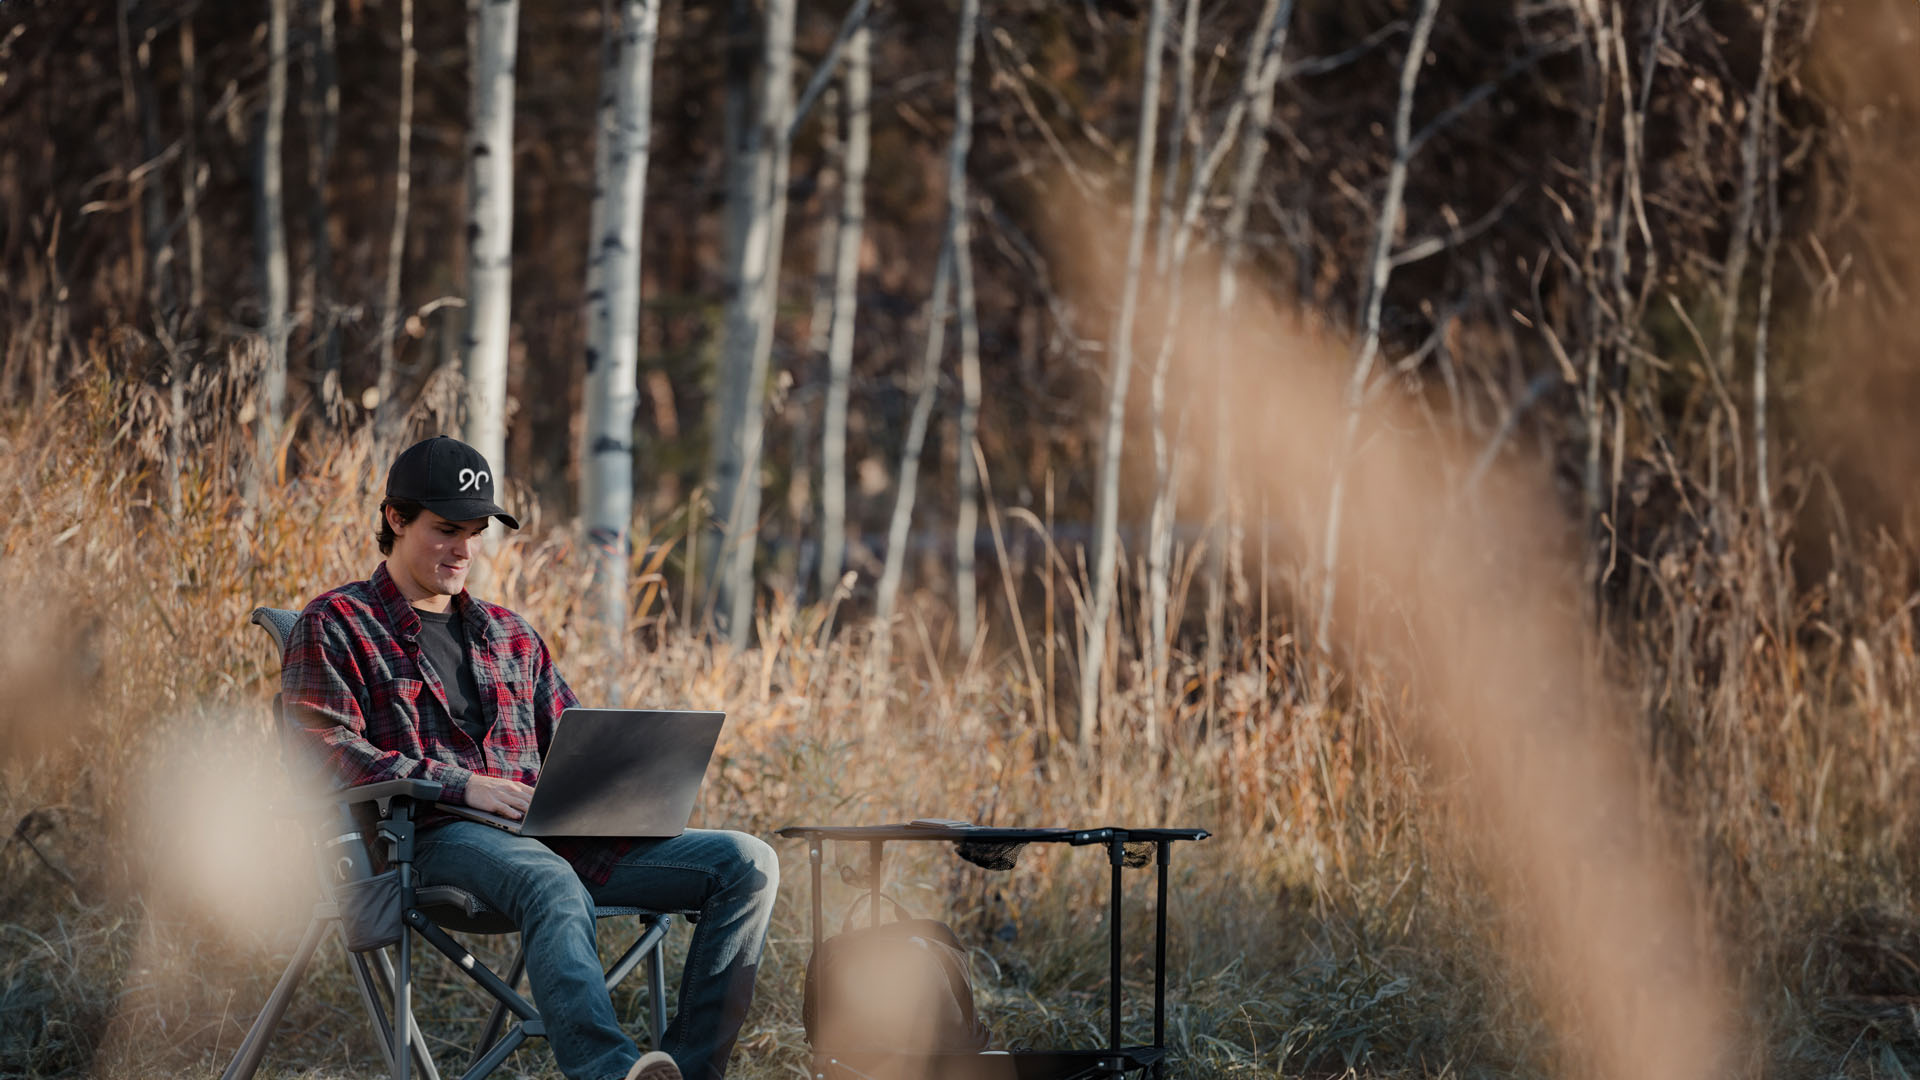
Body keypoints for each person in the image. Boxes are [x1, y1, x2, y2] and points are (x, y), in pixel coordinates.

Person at [281, 434, 778, 1080]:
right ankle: (607, 1072)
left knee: (747, 863)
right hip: (431, 839)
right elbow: (323, 753)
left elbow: (572, 742)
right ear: (395, 519)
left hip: (552, 838)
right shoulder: (337, 624)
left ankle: (686, 1070)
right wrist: (463, 786)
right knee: (549, 878)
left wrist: (631, 784)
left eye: (476, 532)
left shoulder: (509, 634)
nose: (464, 550)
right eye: (446, 530)